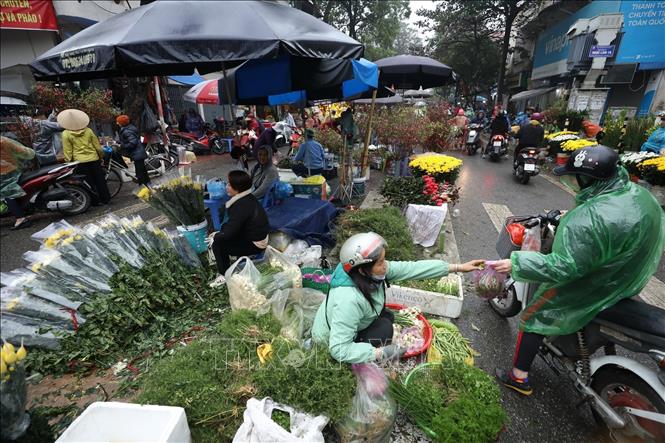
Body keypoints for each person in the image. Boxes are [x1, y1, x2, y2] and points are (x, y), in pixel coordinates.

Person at [492, 145, 665, 396]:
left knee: (534, 316)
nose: (573, 182)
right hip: (623, 279)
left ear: (587, 179)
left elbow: (564, 266)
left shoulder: (589, 219)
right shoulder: (641, 197)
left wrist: (517, 263)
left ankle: (518, 378)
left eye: (574, 177)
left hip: (591, 284)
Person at [311, 232, 484, 363]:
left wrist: (458, 267)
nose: (386, 266)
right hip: (329, 341)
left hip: (349, 324)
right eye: (380, 263)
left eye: (384, 260)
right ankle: (360, 359)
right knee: (385, 329)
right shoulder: (348, 299)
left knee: (388, 316)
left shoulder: (366, 272)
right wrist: (379, 353)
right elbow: (338, 349)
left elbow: (412, 269)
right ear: (363, 269)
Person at [210, 170, 270, 286]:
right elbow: (234, 225)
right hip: (257, 236)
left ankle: (224, 275)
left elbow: (230, 232)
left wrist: (217, 236)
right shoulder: (247, 197)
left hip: (256, 243)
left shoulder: (240, 204)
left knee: (217, 244)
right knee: (223, 231)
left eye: (229, 184)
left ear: (237, 188)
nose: (226, 187)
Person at [58, 109, 111, 205]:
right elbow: (97, 147)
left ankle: (95, 201)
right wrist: (100, 156)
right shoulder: (88, 130)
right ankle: (106, 198)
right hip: (94, 159)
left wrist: (68, 162)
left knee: (87, 182)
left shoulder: (66, 134)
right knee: (100, 179)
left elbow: (68, 151)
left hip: (79, 162)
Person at [1, 136, 35, 229]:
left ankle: (20, 219)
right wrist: (31, 152)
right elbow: (23, 152)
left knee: (8, 194)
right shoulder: (4, 141)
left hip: (4, 175)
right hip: (13, 170)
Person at [116, 115, 150, 186]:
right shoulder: (130, 128)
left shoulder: (127, 131)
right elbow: (129, 140)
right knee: (142, 171)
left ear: (122, 123)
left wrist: (121, 146)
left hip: (137, 153)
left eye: (118, 122)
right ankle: (147, 184)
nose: (117, 123)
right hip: (138, 152)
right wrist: (119, 142)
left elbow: (132, 143)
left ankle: (142, 188)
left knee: (140, 173)